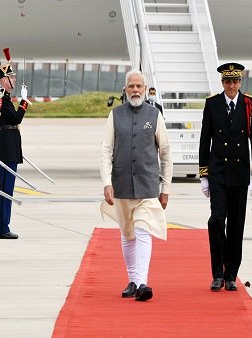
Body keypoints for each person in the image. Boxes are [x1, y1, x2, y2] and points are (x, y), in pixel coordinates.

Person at [100, 69, 172, 301]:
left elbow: (166, 153)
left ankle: (142, 282)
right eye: (131, 86)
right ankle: (132, 279)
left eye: (139, 86)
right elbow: (106, 150)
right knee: (127, 234)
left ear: (145, 89)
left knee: (142, 230)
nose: (135, 90)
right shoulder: (115, 115)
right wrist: (106, 182)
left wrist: (166, 188)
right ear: (125, 89)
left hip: (148, 186)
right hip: (121, 185)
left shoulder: (154, 115)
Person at [198, 63, 252, 291]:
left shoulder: (249, 104)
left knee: (236, 226)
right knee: (216, 219)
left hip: (239, 174)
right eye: (228, 82)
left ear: (240, 82)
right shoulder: (212, 104)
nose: (232, 86)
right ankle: (217, 273)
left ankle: (230, 275)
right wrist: (204, 174)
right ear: (222, 83)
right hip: (217, 173)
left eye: (235, 82)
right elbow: (205, 139)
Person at [0, 48, 30, 240]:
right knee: (6, 187)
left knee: (7, 186)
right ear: (3, 80)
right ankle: (2, 227)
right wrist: (24, 102)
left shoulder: (5, 98)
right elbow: (16, 117)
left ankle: (4, 224)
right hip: (7, 144)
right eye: (11, 78)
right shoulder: (1, 98)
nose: (14, 80)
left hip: (11, 143)